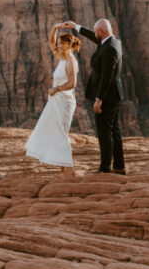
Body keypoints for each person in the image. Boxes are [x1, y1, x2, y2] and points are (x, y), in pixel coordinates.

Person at [61, 19, 125, 175]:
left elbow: (107, 76)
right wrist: (76, 26)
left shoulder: (109, 48)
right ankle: (119, 166)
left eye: (97, 32)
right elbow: (93, 36)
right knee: (114, 131)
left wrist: (99, 99)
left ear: (101, 32)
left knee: (105, 133)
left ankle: (105, 169)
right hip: (114, 94)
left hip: (108, 97)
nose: (95, 35)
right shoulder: (113, 40)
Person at [24, 22, 81, 175]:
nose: (58, 47)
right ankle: (63, 166)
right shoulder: (62, 58)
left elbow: (72, 83)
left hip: (64, 101)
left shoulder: (71, 62)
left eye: (61, 44)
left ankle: (69, 168)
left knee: (61, 132)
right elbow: (50, 42)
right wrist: (55, 28)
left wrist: (56, 89)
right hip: (56, 100)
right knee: (54, 131)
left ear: (68, 45)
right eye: (59, 44)